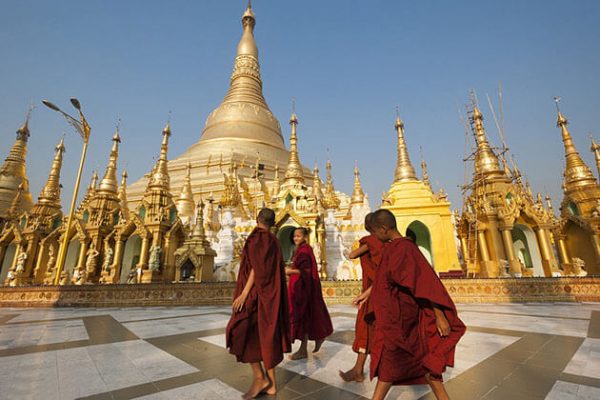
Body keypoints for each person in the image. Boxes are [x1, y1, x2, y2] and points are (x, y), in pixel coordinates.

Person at [354, 209, 466, 400]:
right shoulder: (391, 249)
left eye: (374, 232)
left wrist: (439, 316)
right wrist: (367, 294)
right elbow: (384, 279)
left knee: (400, 364)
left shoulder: (405, 249)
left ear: (383, 229)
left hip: (405, 322)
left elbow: (425, 283)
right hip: (395, 319)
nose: (373, 237)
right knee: (424, 365)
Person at [225, 208, 291, 399]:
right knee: (264, 337)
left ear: (256, 219)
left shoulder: (258, 239)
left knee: (239, 332)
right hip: (269, 295)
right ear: (273, 223)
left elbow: (257, 267)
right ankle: (271, 385)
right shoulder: (273, 241)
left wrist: (244, 294)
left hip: (255, 295)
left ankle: (260, 377)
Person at [339, 213, 383, 382]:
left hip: (373, 292)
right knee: (367, 329)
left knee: (366, 328)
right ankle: (358, 369)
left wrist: (364, 242)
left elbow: (351, 255)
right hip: (376, 290)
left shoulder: (371, 242)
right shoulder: (385, 244)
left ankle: (360, 370)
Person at [285, 227, 333, 360]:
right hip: (300, 288)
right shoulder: (300, 250)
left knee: (303, 318)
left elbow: (305, 271)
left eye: (298, 236)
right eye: (294, 236)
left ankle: (303, 350)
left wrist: (289, 271)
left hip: (304, 290)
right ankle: (318, 337)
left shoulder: (305, 250)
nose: (296, 238)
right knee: (306, 317)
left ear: (305, 237)